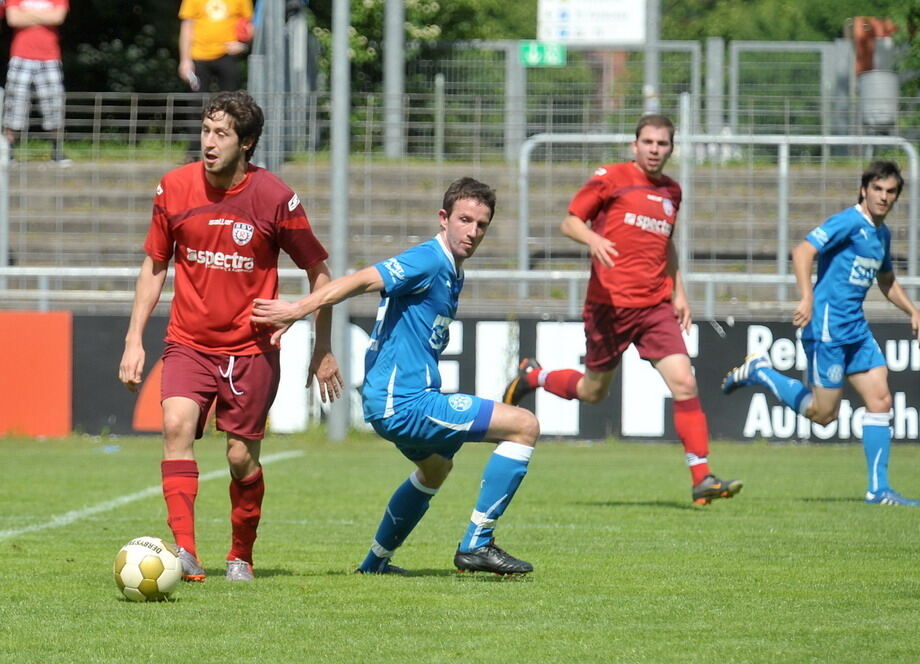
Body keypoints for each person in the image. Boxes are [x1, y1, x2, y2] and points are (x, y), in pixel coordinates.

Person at [252, 178, 540, 575]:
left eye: (481, 225)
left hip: (390, 404)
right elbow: (360, 280)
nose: (472, 232)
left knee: (436, 469)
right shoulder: (428, 259)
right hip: (405, 403)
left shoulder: (453, 270)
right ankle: (478, 543)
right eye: (465, 220)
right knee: (524, 425)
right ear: (444, 219)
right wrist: (298, 309)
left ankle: (375, 564)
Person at [118, 91, 343, 583]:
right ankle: (185, 552)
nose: (209, 142)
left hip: (251, 349)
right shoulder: (174, 188)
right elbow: (155, 265)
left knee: (241, 457)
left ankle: (241, 553)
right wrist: (134, 338)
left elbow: (320, 273)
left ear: (247, 143)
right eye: (205, 130)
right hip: (189, 343)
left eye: (221, 134)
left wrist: (322, 346)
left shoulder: (274, 197)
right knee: (176, 425)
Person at [502, 114, 742, 506]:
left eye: (662, 144)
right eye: (647, 142)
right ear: (634, 145)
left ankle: (702, 478)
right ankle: (535, 375)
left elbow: (666, 244)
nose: (654, 149)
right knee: (593, 391)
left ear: (671, 148)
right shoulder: (611, 177)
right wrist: (593, 239)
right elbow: (570, 221)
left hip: (654, 306)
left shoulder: (671, 192)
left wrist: (679, 292)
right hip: (608, 305)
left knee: (685, 382)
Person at [722, 160, 920, 506]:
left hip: (855, 329)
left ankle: (879, 490)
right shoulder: (848, 222)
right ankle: (761, 372)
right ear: (864, 189)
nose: (883, 197)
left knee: (881, 400)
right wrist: (807, 296)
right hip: (827, 329)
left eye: (890, 192)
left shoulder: (881, 235)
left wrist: (913, 310)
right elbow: (802, 251)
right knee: (823, 415)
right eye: (877, 189)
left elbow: (886, 282)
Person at [3, 0, 70, 165]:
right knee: (14, 104)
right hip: (20, 56)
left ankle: (57, 151)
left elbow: (58, 17)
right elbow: (13, 19)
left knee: (53, 104)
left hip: (50, 58)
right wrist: (44, 17)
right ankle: (8, 151)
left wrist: (27, 16)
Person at [178, 0, 253, 94]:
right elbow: (186, 27)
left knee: (230, 101)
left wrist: (243, 45)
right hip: (198, 55)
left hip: (227, 54)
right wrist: (185, 60)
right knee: (196, 101)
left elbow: (249, 25)